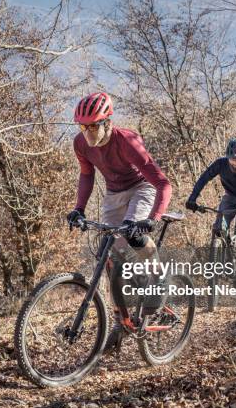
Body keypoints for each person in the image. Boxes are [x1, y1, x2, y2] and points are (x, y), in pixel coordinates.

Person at [67, 91, 172, 352]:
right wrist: (79, 208)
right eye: (83, 126)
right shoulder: (80, 144)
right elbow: (86, 175)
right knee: (108, 256)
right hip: (114, 194)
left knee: (135, 236)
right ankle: (119, 320)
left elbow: (162, 183)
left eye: (93, 126)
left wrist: (153, 219)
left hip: (141, 188)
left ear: (107, 122)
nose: (88, 133)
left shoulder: (127, 142)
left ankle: (158, 277)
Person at [185, 137, 236, 281]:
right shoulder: (220, 164)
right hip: (230, 196)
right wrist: (192, 199)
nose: (234, 163)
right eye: (231, 160)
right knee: (219, 229)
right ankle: (222, 252)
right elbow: (203, 179)